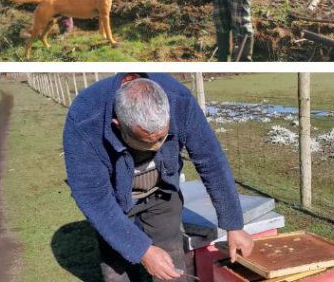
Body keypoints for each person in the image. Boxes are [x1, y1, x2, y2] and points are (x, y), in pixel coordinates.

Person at [63, 73, 254, 282]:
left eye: (163, 138)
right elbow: (93, 197)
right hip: (113, 200)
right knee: (117, 270)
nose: (157, 148)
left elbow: (211, 160)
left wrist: (234, 225)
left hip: (162, 192)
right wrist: (142, 250)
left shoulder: (178, 100)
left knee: (171, 261)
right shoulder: (85, 119)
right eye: (147, 142)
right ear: (119, 125)